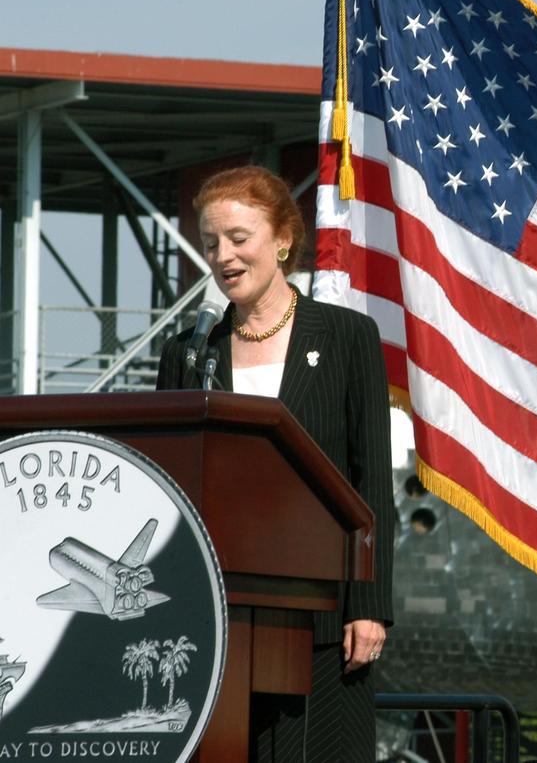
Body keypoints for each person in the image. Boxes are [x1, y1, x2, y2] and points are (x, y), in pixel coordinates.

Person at [156, 165, 395, 762]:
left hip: (321, 621)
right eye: (211, 243)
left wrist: (369, 607)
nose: (224, 256)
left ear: (283, 240)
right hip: (216, 620)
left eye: (239, 238)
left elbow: (371, 485)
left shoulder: (347, 337)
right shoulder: (190, 352)